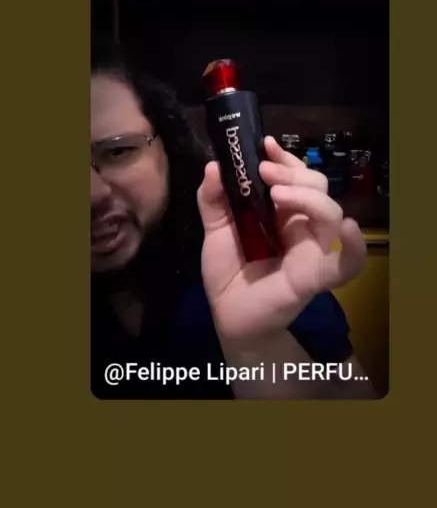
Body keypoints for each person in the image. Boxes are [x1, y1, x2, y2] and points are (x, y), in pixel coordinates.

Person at [91, 38, 376, 399]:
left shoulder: (259, 259)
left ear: (169, 145)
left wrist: (257, 346)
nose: (91, 195)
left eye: (118, 150)